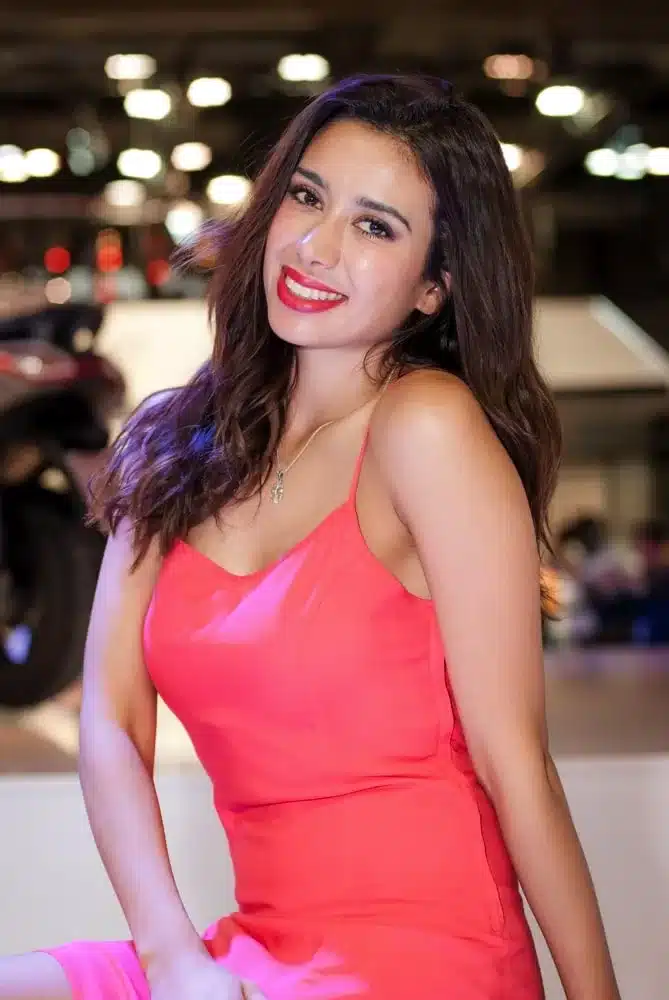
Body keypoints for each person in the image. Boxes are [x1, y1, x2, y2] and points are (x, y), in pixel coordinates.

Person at [0, 74, 621, 1000]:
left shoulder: (425, 427)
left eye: (374, 227)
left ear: (434, 287)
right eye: (306, 196)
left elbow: (514, 763)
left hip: (424, 960)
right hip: (243, 955)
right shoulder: (172, 445)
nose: (315, 246)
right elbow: (112, 721)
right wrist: (172, 957)